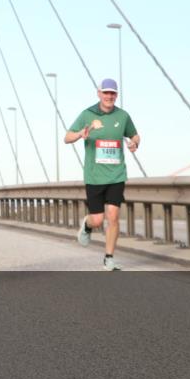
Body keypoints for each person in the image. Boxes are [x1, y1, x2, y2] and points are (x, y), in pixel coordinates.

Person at [65, 78, 140, 271]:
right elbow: (67, 138)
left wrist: (134, 143)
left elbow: (134, 134)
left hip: (116, 175)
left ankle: (109, 258)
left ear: (116, 95)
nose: (109, 96)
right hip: (94, 176)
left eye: (112, 93)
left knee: (113, 216)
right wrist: (81, 133)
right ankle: (88, 225)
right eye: (105, 92)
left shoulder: (123, 116)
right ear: (99, 93)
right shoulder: (87, 114)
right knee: (98, 219)